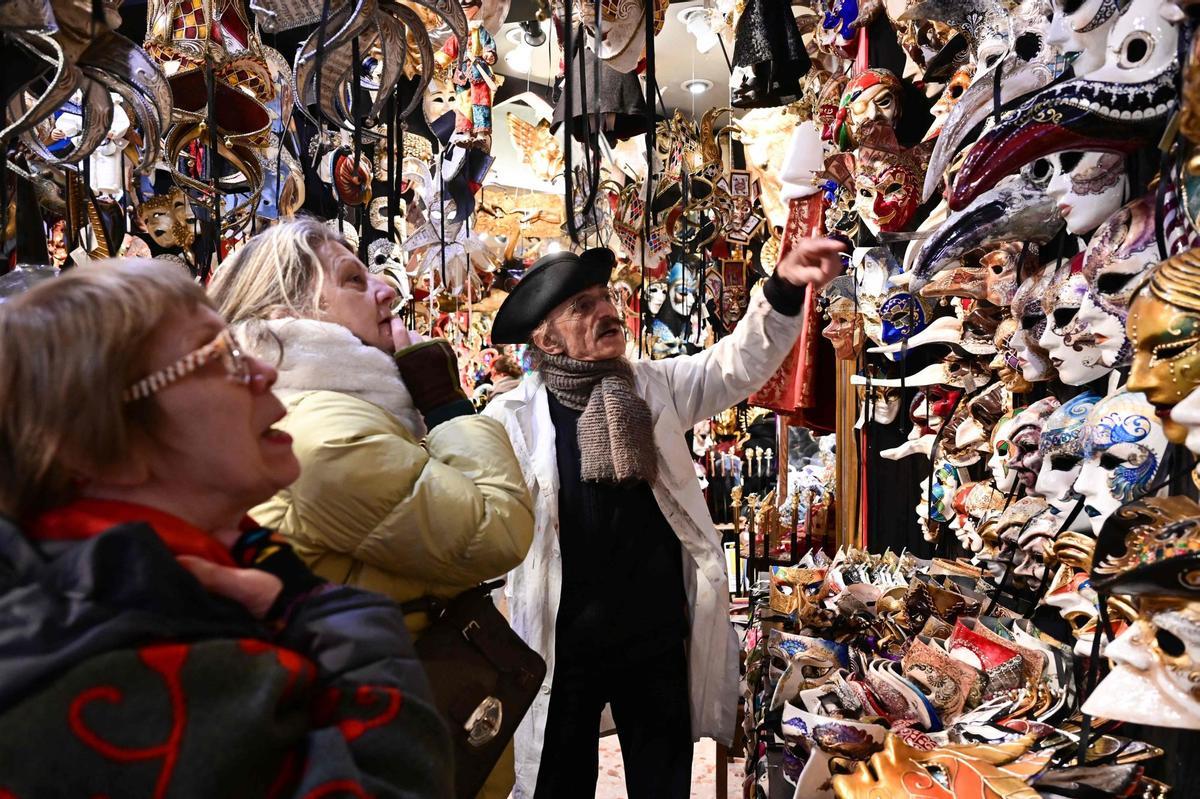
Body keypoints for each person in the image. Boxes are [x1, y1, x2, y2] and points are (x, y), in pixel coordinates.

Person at [0, 258, 452, 796]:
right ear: (103, 444)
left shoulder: (195, 572)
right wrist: (328, 611)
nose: (262, 371)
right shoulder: (118, 654)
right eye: (218, 356)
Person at [484, 239, 846, 799]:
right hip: (563, 648)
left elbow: (735, 365)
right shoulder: (509, 419)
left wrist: (780, 289)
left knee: (664, 786)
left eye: (605, 297)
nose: (606, 310)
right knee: (556, 785)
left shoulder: (653, 387)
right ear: (544, 336)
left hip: (652, 641)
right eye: (582, 306)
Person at [209, 218, 535, 799]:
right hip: (384, 745)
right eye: (354, 281)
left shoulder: (330, 410)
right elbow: (498, 531)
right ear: (292, 308)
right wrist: (447, 404)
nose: (388, 289)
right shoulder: (325, 432)